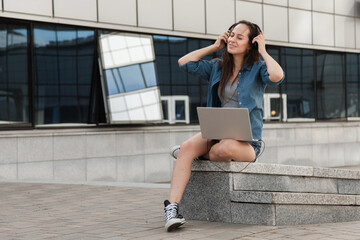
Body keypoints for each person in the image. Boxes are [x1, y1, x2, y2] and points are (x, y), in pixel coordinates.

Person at [163, 20, 285, 232]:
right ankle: (172, 208)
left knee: (226, 147)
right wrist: (214, 47)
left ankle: (202, 155)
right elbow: (184, 63)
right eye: (231, 34)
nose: (232, 39)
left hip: (246, 143)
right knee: (186, 148)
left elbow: (277, 76)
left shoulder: (258, 69)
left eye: (239, 37)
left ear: (251, 44)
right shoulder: (218, 67)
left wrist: (263, 50)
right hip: (217, 131)